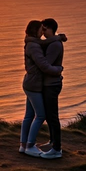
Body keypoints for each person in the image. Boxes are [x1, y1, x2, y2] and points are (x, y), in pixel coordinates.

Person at [20, 20, 63, 157]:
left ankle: (23, 145)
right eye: (41, 29)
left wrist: (58, 37)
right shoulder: (34, 46)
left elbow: (44, 43)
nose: (42, 32)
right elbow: (44, 66)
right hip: (34, 85)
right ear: (36, 31)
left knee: (29, 116)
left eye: (44, 29)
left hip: (30, 83)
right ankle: (30, 145)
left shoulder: (32, 43)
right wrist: (58, 69)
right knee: (41, 115)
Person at [39, 18, 64, 159]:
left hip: (52, 84)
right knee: (49, 115)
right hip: (50, 83)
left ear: (50, 29)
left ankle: (57, 149)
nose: (42, 33)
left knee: (52, 116)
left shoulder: (54, 44)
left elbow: (46, 64)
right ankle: (52, 142)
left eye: (44, 29)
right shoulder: (53, 42)